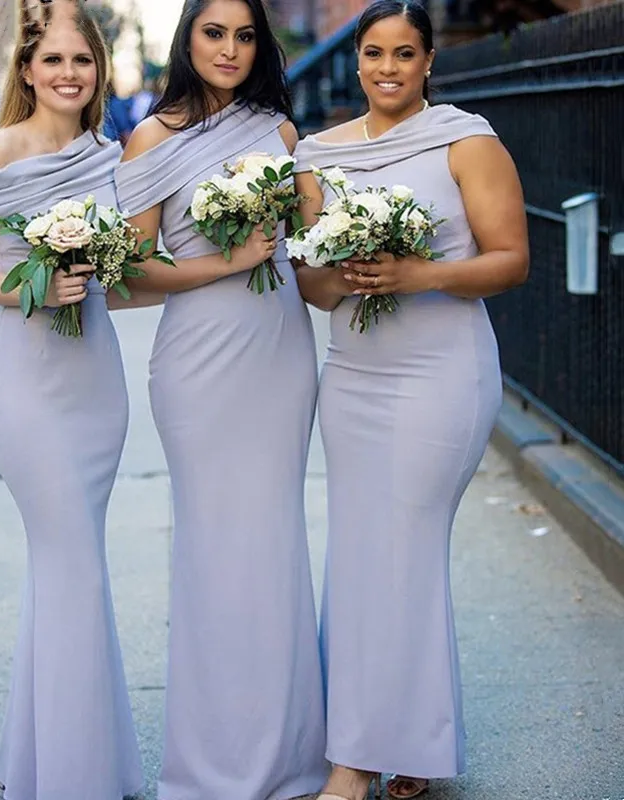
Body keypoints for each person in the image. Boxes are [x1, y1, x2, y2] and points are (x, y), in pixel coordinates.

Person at [292, 2, 529, 799]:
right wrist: (346, 266)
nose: (386, 67)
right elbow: (315, 288)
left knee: (403, 552)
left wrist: (415, 273)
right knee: (365, 555)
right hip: (353, 377)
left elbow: (510, 260)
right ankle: (419, 744)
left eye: (403, 53)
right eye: (372, 53)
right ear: (356, 61)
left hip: (442, 376)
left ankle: (355, 759)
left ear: (429, 61)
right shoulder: (318, 154)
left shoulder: (467, 139)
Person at [114, 0, 327, 798]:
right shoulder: (149, 138)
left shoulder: (277, 131)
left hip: (278, 353)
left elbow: (311, 251)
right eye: (214, 32)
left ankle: (289, 757)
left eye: (244, 36)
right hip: (198, 360)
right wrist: (222, 261)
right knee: (210, 546)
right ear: (187, 39)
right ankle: (210, 766)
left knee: (273, 542)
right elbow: (126, 273)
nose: (230, 49)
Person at [0, 2, 144, 797]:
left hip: (96, 382)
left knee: (69, 568)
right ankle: (74, 775)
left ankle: (44, 763)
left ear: (98, 72)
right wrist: (32, 286)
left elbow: (127, 269)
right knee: (74, 571)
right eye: (53, 60)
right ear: (27, 70)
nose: (68, 73)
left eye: (82, 62)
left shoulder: (109, 156)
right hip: (27, 387)